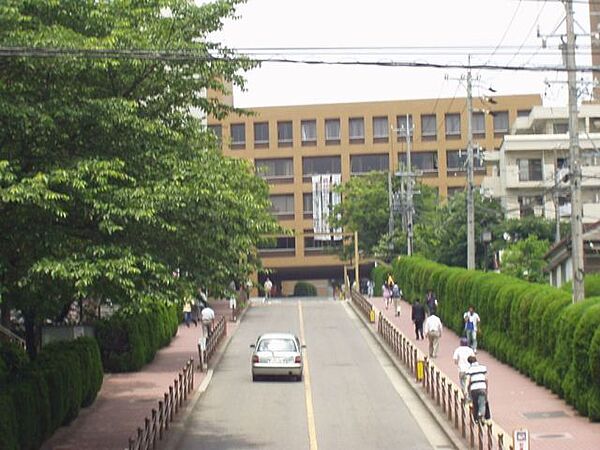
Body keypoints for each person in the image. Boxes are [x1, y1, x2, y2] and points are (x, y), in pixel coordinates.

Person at [466, 355, 488, 423]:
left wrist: (467, 392)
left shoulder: (469, 370)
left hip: (474, 389)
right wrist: (486, 389)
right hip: (482, 387)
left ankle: (476, 419)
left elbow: (468, 382)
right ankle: (481, 415)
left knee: (475, 404)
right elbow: (486, 380)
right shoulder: (483, 368)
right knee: (482, 404)